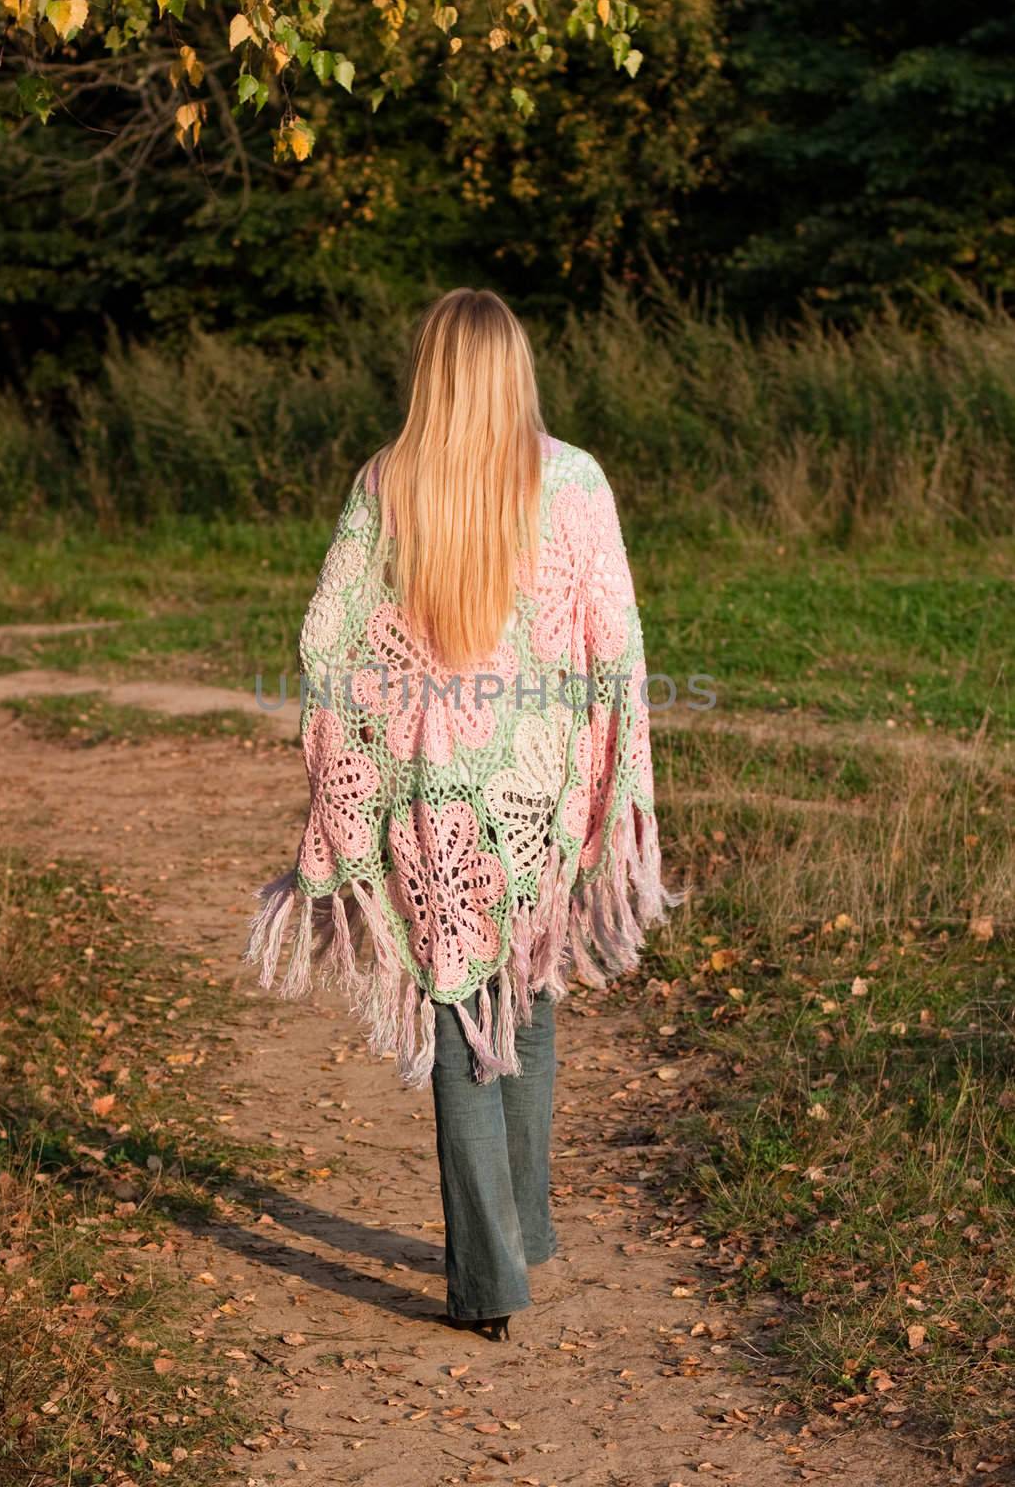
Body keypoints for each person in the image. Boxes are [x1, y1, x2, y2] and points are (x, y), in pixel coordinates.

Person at [244, 287, 684, 1342]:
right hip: (541, 780)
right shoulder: (574, 480)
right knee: (523, 1000)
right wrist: (602, 778)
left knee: (457, 1010)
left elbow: (325, 640)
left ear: (430, 372)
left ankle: (489, 1277)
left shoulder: (390, 484)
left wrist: (387, 727)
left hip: (431, 792)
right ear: (514, 369)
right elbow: (611, 645)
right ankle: (519, 1232)